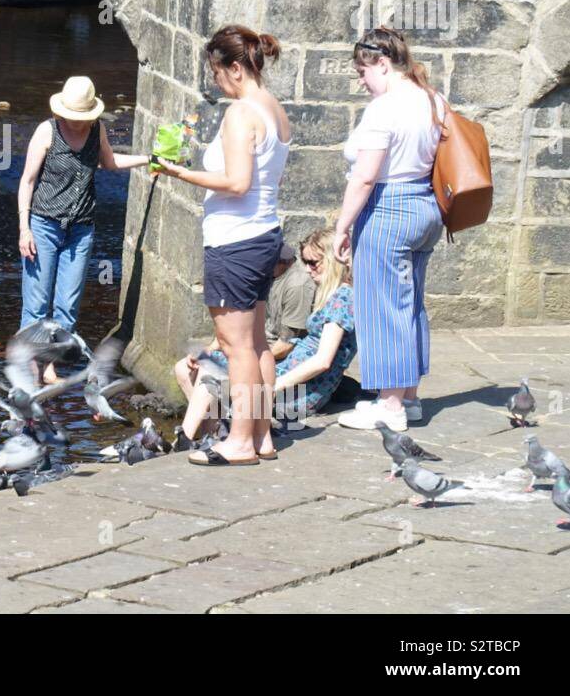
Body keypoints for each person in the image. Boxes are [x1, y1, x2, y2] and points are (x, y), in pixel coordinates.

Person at [154, 25, 290, 466]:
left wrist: (179, 174)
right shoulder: (274, 109)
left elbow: (236, 182)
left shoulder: (241, 114)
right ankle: (263, 436)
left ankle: (240, 442)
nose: (214, 82)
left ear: (235, 68)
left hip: (235, 242)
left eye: (215, 72)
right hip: (264, 234)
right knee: (257, 343)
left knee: (237, 349)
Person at [334, 27, 445, 433]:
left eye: (363, 71)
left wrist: (342, 227)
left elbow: (365, 176)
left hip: (388, 207)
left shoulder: (386, 108)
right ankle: (409, 398)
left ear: (383, 63)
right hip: (426, 207)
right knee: (410, 302)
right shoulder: (434, 99)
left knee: (383, 308)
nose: (362, 81)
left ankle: (390, 405)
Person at [18, 75, 153, 381]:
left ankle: (50, 366)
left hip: (80, 230)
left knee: (67, 305)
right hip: (44, 225)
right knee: (37, 304)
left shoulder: (97, 130)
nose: (77, 121)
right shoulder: (46, 131)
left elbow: (109, 162)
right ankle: (29, 368)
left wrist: (148, 160)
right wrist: (24, 229)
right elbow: (26, 181)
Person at [172, 227, 355, 447]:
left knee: (210, 372)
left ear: (332, 261)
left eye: (313, 262)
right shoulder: (334, 295)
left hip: (300, 392)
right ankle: (207, 435)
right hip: (288, 374)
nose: (307, 270)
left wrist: (273, 386)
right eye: (304, 262)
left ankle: (190, 439)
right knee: (201, 365)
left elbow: (322, 360)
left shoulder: (342, 298)